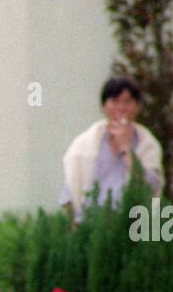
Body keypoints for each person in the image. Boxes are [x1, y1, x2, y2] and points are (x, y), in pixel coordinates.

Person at [60, 76, 163, 221]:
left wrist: (127, 149)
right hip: (89, 225)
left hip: (129, 226)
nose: (121, 108)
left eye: (127, 101)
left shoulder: (147, 145)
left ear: (137, 107)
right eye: (115, 101)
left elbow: (150, 187)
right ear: (103, 107)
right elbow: (69, 190)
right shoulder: (83, 144)